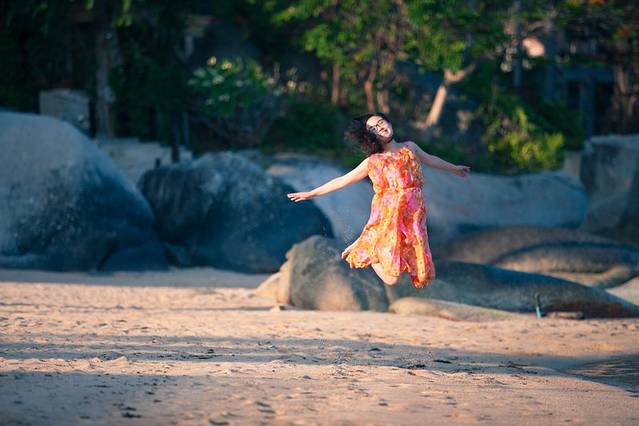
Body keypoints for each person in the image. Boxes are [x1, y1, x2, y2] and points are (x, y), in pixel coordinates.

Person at [287, 113, 470, 288]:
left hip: (414, 213)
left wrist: (454, 168)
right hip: (389, 212)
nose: (380, 128)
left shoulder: (410, 147)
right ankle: (370, 251)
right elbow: (343, 180)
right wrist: (312, 193)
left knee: (409, 266)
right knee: (392, 279)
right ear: (370, 137)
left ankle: (365, 244)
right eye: (374, 128)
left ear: (389, 123)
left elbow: (430, 159)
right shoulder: (373, 161)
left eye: (381, 122)